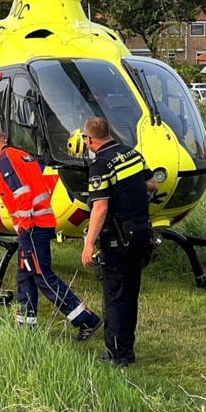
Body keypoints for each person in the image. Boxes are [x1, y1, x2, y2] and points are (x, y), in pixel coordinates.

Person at [0, 122, 102, 340]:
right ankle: (25, 327)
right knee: (25, 274)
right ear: (4, 136)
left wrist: (24, 227)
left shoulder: (5, 161)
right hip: (40, 224)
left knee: (41, 276)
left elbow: (22, 194)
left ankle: (86, 320)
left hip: (33, 227)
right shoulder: (21, 155)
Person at [79, 116, 158, 367]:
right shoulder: (132, 154)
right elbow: (152, 183)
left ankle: (116, 355)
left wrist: (88, 244)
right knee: (130, 294)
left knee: (114, 297)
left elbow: (100, 207)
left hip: (118, 239)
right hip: (142, 233)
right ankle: (127, 350)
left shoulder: (100, 164)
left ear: (88, 139)